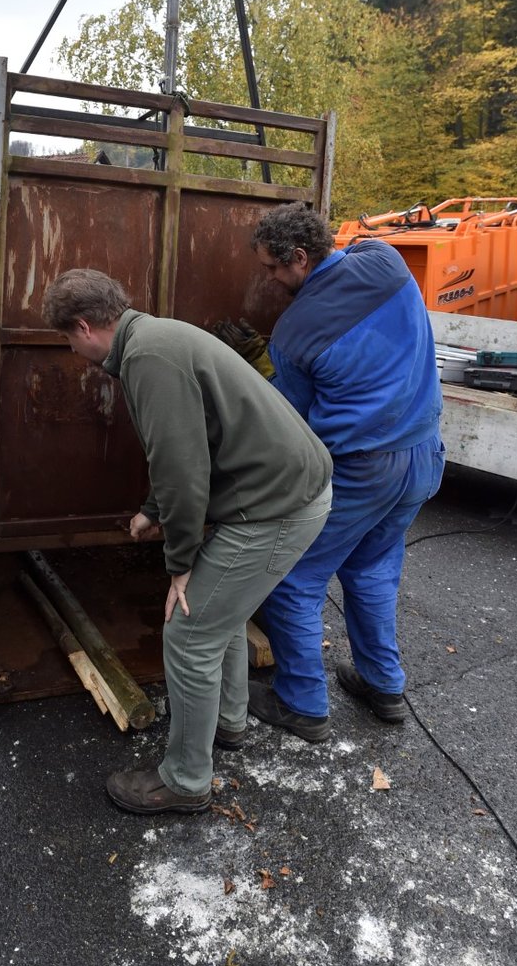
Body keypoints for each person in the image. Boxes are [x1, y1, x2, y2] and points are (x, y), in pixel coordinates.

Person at [41, 269, 333, 816]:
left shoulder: (148, 358)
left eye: (67, 338)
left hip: (276, 506)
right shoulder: (154, 337)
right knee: (218, 617)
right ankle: (228, 723)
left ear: (83, 327)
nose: (71, 348)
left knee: (189, 631)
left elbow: (182, 467)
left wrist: (180, 565)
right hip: (284, 492)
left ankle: (186, 779)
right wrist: (153, 511)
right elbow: (185, 445)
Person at [217, 205, 444, 738]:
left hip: (364, 470)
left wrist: (247, 366)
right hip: (423, 454)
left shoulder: (295, 334)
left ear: (299, 258)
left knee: (294, 578)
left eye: (273, 268)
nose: (269, 280)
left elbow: (282, 418)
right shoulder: (386, 261)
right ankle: (384, 687)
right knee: (372, 569)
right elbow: (355, 252)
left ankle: (303, 704)